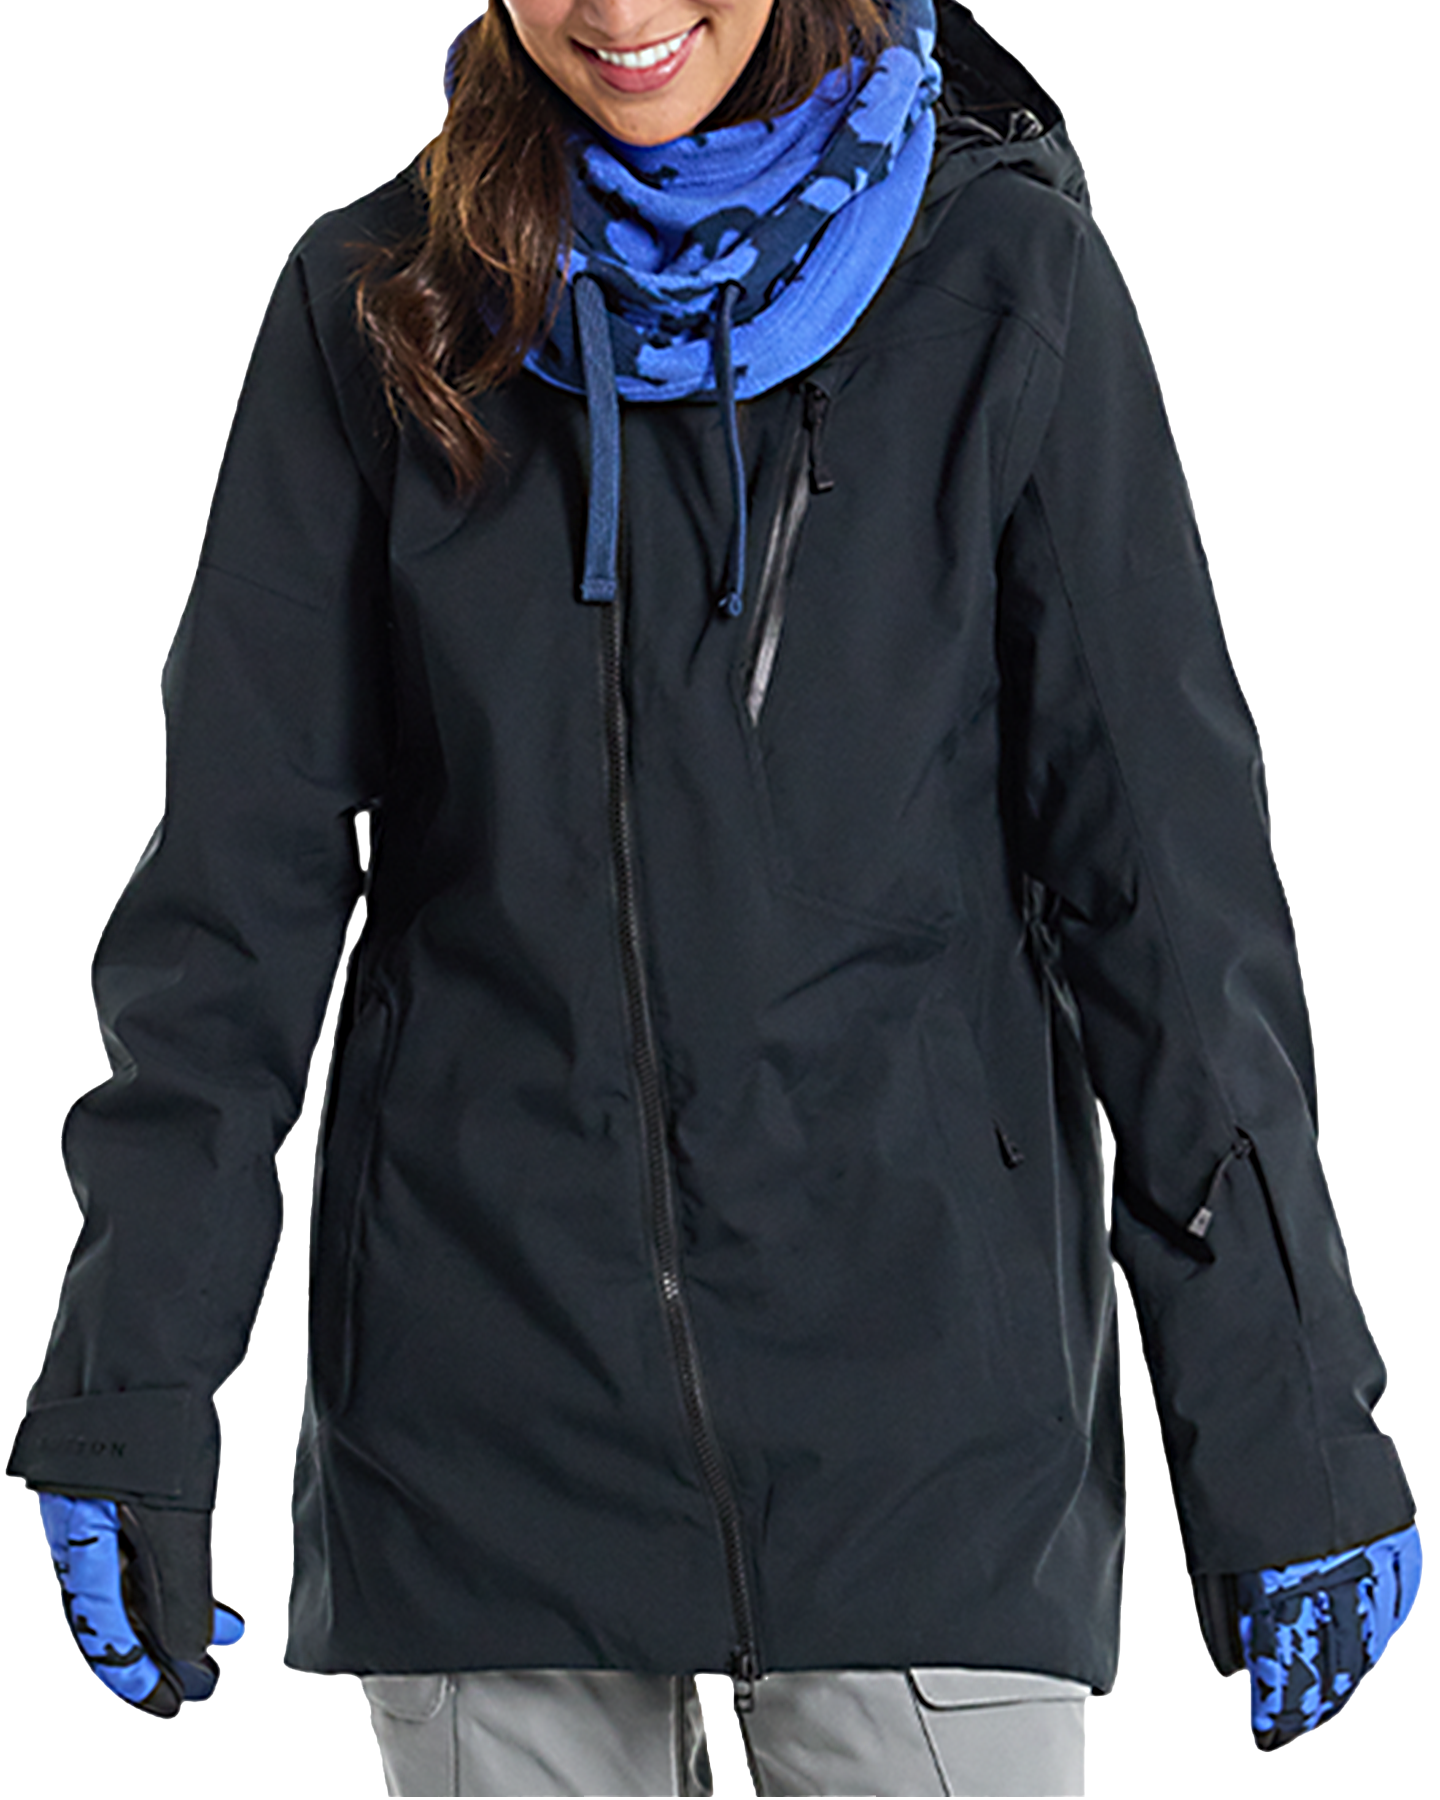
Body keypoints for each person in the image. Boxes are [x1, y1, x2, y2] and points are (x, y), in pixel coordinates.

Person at [7, 0, 1421, 1793]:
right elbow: (230, 903)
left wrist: (1289, 1430)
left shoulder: (1000, 279)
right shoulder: (378, 303)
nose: (617, 11)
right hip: (481, 1430)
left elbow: (1163, 888)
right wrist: (127, 1387)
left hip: (924, 1442)